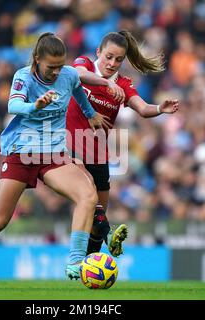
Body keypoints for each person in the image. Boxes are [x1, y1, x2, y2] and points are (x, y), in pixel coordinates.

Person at [0, 32, 112, 288]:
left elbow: (77, 90)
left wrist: (90, 113)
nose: (56, 72)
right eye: (51, 67)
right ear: (37, 59)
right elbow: (13, 106)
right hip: (21, 152)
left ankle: (75, 261)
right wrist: (34, 106)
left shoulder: (68, 75)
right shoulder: (23, 76)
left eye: (60, 66)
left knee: (88, 196)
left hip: (53, 154)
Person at [66, 30, 179, 257]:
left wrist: (159, 108)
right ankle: (110, 237)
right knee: (88, 196)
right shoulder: (85, 64)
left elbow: (143, 108)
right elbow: (77, 76)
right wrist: (106, 84)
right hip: (69, 146)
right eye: (108, 56)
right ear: (99, 52)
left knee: (97, 222)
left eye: (118, 59)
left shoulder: (124, 85)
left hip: (97, 154)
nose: (112, 63)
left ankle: (92, 265)